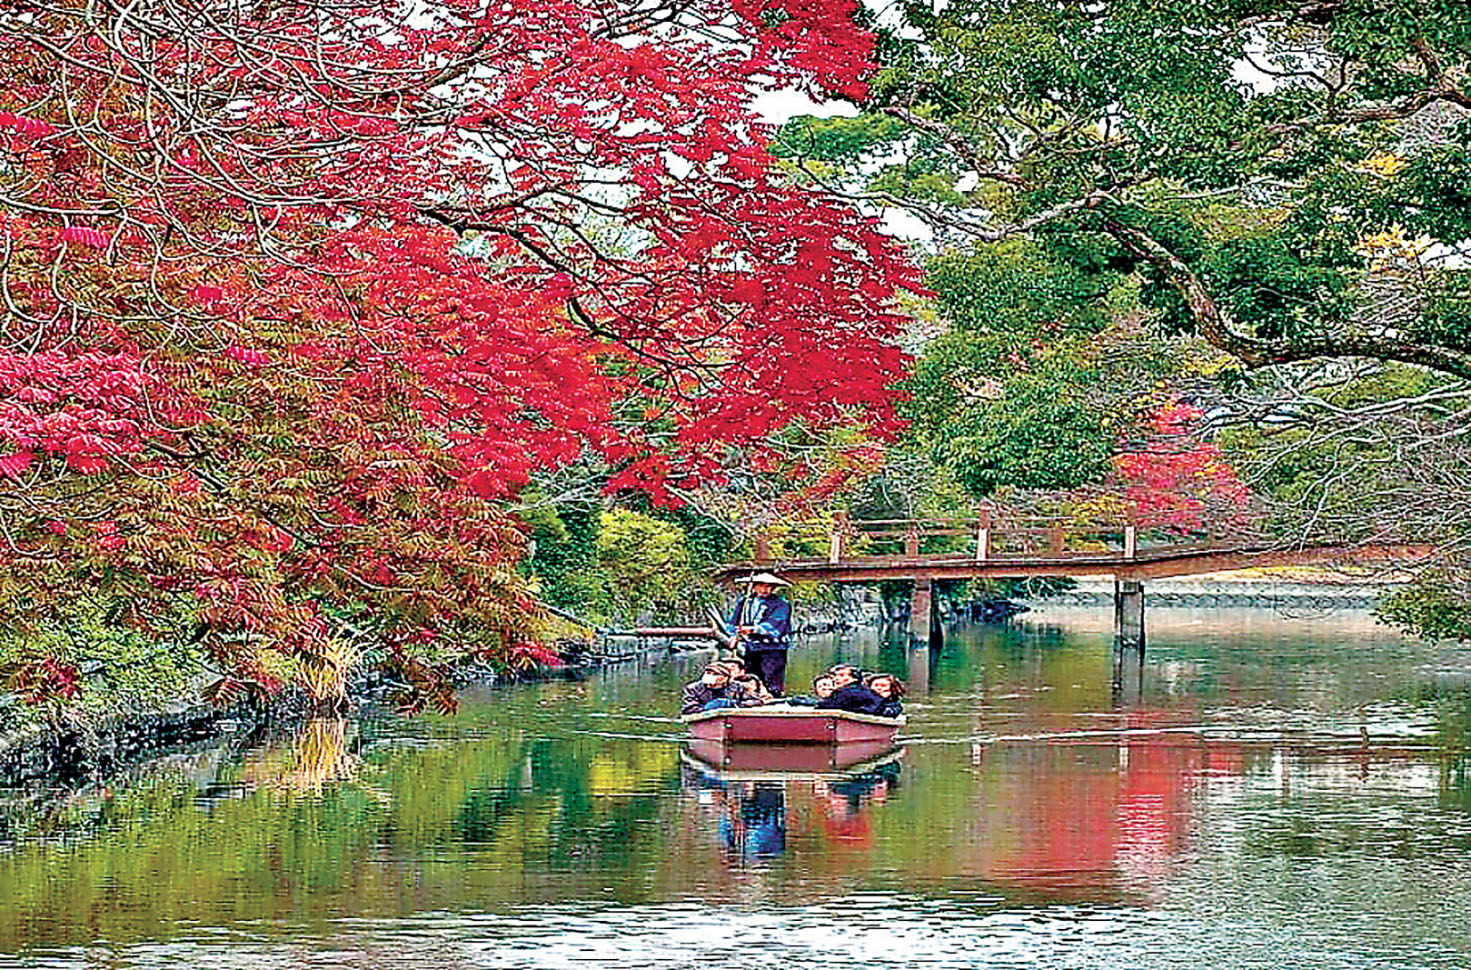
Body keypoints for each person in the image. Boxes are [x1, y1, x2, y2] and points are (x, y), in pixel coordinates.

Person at [727, 571, 793, 696]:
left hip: (773, 647)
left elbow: (776, 624)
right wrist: (733, 636)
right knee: (752, 676)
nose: (765, 589)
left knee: (771, 678)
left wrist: (753, 629)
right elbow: (733, 622)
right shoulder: (745, 602)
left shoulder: (781, 604)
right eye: (762, 585)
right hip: (752, 646)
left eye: (769, 586)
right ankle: (752, 699)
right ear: (754, 586)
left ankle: (774, 699)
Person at [680, 663, 753, 714]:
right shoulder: (693, 688)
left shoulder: (739, 687)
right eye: (708, 673)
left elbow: (756, 701)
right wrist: (706, 709)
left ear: (725, 678)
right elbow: (688, 708)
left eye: (715, 674)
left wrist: (735, 704)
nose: (710, 676)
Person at [816, 667, 888, 716]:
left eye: (841, 676)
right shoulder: (871, 692)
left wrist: (826, 697)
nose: (836, 679)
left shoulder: (843, 693)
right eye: (836, 676)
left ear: (854, 679)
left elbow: (823, 707)